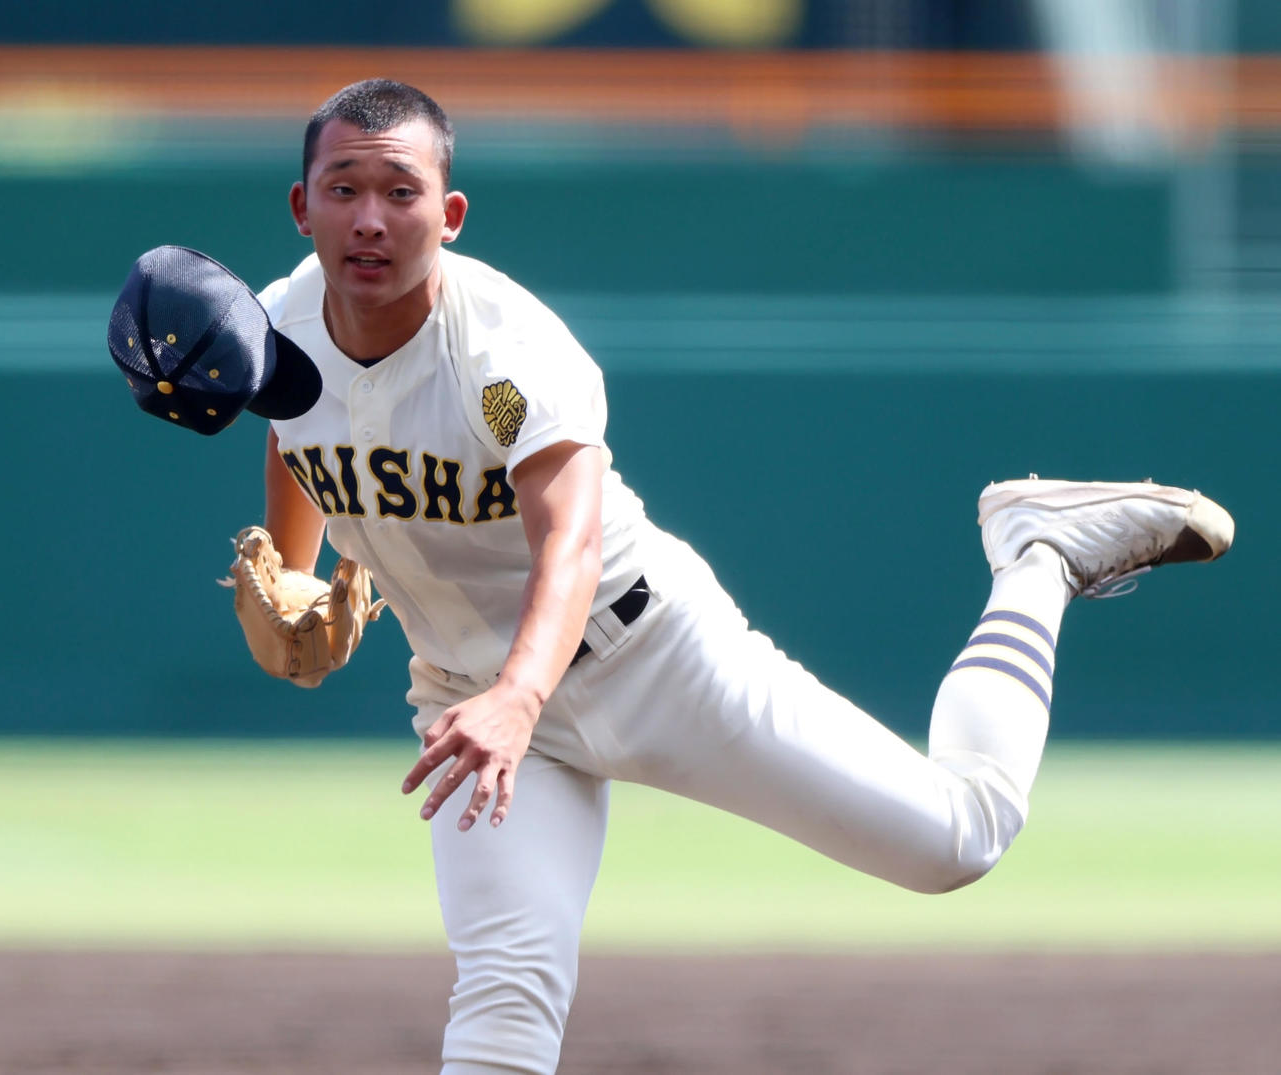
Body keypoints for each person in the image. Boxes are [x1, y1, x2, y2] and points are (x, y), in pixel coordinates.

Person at [255, 78, 1233, 1075]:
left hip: (648, 653)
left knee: (958, 839)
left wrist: (519, 693)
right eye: (343, 189)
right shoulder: (276, 329)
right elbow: (294, 419)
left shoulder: (507, 354)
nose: (370, 217)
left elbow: (572, 544)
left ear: (449, 215)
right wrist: (294, 571)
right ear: (302, 208)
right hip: (477, 705)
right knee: (506, 991)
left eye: (400, 190)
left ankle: (1037, 555)